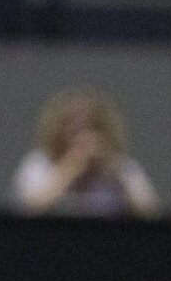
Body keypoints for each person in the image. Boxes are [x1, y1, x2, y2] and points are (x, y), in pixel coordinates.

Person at [14, 89, 159, 218]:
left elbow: (151, 214)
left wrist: (116, 173)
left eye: (91, 127)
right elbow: (28, 210)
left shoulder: (122, 167)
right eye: (73, 128)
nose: (83, 136)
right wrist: (70, 169)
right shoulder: (39, 164)